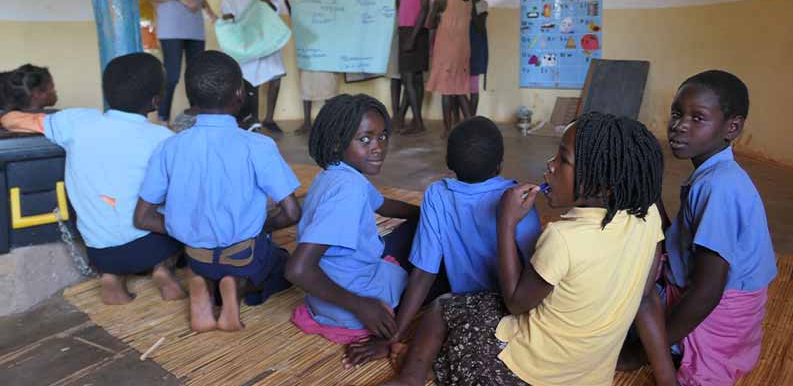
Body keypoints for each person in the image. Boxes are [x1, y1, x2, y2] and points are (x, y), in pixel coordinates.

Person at [382, 112, 677, 386]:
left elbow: (516, 303)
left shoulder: (563, 238)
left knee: (444, 307)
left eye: (563, 159)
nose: (549, 164)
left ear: (602, 185)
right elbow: (645, 294)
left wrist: (506, 222)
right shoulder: (647, 213)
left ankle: (415, 376)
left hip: (523, 372)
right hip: (587, 375)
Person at [344, 116, 541, 367]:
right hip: (513, 309)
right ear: (500, 164)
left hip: (461, 305)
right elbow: (536, 267)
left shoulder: (437, 194)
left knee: (431, 293)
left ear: (448, 162)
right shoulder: (519, 199)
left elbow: (424, 273)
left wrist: (393, 334)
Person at [620, 70, 777, 386]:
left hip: (717, 310)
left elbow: (707, 293)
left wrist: (642, 353)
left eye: (697, 118)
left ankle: (669, 348)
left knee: (613, 311)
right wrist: (650, 189)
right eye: (677, 114)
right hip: (704, 293)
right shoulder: (714, 173)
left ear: (731, 128)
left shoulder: (719, 188)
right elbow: (676, 241)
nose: (679, 125)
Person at [134, 51, 302, 332]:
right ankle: (235, 287)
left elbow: (142, 218)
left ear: (191, 100)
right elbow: (292, 212)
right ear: (239, 94)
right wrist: (259, 225)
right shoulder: (258, 146)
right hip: (243, 254)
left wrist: (186, 226)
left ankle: (202, 283)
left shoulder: (170, 147)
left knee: (206, 258)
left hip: (196, 256)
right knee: (280, 265)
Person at [0, 53, 184, 305]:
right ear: (155, 100)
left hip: (100, 251)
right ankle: (163, 271)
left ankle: (110, 280)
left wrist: (8, 116)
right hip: (153, 245)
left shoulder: (77, 121)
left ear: (106, 92)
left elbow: (11, 120)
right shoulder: (162, 138)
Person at [285, 94, 420, 343]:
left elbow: (384, 205)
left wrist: (422, 213)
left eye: (382, 137)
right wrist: (362, 307)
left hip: (325, 303)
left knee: (409, 230)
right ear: (337, 143)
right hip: (358, 307)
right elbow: (298, 269)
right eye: (365, 139)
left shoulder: (336, 175)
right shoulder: (349, 190)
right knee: (430, 263)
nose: (377, 147)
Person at [221, 0, 287, 133]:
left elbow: (279, 8)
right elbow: (227, 14)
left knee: (275, 75)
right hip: (248, 40)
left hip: (268, 36)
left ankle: (269, 118)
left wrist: (268, 4)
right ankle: (253, 119)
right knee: (251, 79)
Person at [285, 0, 339, 135]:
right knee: (306, 83)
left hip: (325, 49)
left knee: (327, 85)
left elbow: (338, 13)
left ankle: (330, 123)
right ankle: (307, 122)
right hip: (307, 49)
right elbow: (295, 16)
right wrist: (288, 1)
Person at [426, 0, 473, 137]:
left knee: (446, 90)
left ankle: (447, 129)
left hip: (446, 49)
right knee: (460, 88)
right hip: (463, 49)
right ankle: (471, 124)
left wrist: (437, 17)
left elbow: (429, 23)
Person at [397, 0, 431, 135]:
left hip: (414, 32)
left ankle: (417, 122)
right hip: (406, 31)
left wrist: (412, 37)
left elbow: (425, 7)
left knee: (410, 78)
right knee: (413, 78)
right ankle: (414, 120)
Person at [380, 0, 408, 129]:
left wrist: (397, 1)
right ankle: (395, 112)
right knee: (395, 75)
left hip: (409, 30)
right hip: (392, 32)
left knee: (409, 76)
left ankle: (403, 113)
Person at [464, 0, 488, 115]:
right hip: (460, 49)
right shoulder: (460, 2)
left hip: (476, 49)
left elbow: (479, 26)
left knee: (473, 89)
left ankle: (470, 119)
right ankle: (460, 119)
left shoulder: (482, 4)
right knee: (457, 90)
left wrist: (472, 3)